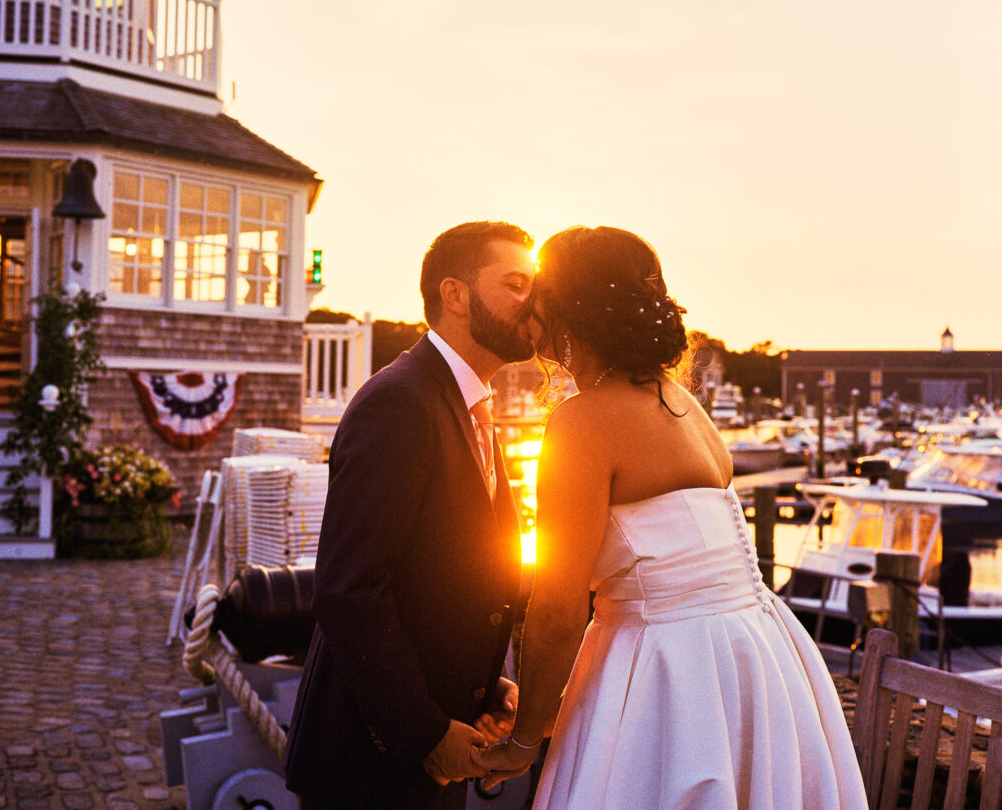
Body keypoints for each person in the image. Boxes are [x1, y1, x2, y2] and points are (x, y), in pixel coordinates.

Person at [474, 226, 867, 809]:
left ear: (563, 310)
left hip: (665, 674)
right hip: (754, 655)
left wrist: (524, 741)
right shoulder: (684, 405)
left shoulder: (583, 421)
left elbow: (558, 608)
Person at [284, 221, 537, 809]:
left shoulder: (472, 405)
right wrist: (425, 733)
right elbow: (350, 590)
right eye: (517, 284)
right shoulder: (400, 402)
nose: (534, 304)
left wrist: (477, 683)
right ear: (455, 295)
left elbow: (436, 574)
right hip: (369, 765)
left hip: (432, 748)